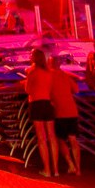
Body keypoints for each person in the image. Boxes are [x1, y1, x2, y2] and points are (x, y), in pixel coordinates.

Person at [23, 47, 60, 176]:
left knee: (42, 138)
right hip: (47, 103)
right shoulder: (49, 72)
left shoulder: (32, 72)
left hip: (36, 103)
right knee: (52, 136)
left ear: (35, 58)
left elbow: (28, 90)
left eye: (31, 54)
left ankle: (47, 169)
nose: (29, 56)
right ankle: (56, 169)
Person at [51, 54, 84, 175]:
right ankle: (79, 169)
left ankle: (70, 164)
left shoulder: (49, 75)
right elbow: (76, 89)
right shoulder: (65, 76)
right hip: (72, 111)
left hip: (60, 112)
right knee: (73, 140)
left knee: (60, 140)